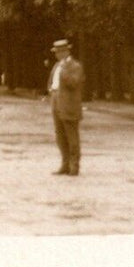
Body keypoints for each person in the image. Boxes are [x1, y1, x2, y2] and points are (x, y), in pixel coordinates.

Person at [48, 38, 85, 176]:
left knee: (71, 136)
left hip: (69, 105)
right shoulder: (56, 66)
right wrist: (52, 92)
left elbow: (74, 83)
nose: (56, 55)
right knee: (60, 135)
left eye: (58, 52)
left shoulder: (75, 66)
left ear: (66, 52)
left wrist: (64, 71)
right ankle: (64, 164)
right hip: (56, 102)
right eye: (56, 52)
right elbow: (52, 82)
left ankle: (74, 166)